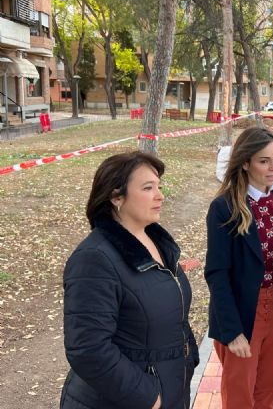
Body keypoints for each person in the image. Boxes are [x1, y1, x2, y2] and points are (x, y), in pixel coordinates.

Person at [60, 152, 199, 409]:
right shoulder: (94, 260)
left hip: (170, 388)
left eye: (159, 187)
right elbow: (88, 348)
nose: (160, 196)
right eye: (148, 188)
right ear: (116, 197)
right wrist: (149, 397)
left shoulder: (158, 244)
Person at [205, 126, 273, 409]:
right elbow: (217, 272)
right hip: (243, 309)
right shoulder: (225, 207)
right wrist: (231, 329)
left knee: (269, 392)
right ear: (246, 162)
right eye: (264, 161)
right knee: (240, 394)